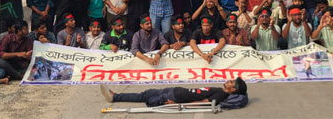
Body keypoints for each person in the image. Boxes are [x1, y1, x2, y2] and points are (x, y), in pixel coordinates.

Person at [100, 78, 247, 106]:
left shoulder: (221, 94)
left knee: (146, 98)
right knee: (144, 94)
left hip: (177, 96)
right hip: (176, 91)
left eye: (231, 82)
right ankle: (115, 96)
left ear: (232, 89)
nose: (228, 80)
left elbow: (203, 103)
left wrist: (176, 104)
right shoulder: (221, 90)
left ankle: (115, 97)